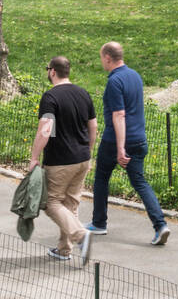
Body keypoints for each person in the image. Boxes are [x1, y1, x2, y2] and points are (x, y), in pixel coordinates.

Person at [85, 42, 169, 245]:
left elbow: (119, 114)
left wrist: (120, 147)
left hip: (116, 140)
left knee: (101, 179)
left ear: (107, 57)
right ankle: (160, 225)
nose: (101, 62)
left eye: (101, 57)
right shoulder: (135, 76)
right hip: (139, 139)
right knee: (140, 182)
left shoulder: (114, 81)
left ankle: (99, 223)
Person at [26, 56, 97, 263]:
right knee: (70, 205)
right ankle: (64, 249)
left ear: (53, 72)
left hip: (61, 161)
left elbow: (46, 129)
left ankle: (82, 236)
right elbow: (93, 127)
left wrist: (34, 157)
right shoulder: (83, 94)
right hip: (83, 158)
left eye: (47, 69)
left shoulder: (51, 97)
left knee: (51, 203)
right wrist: (88, 152)